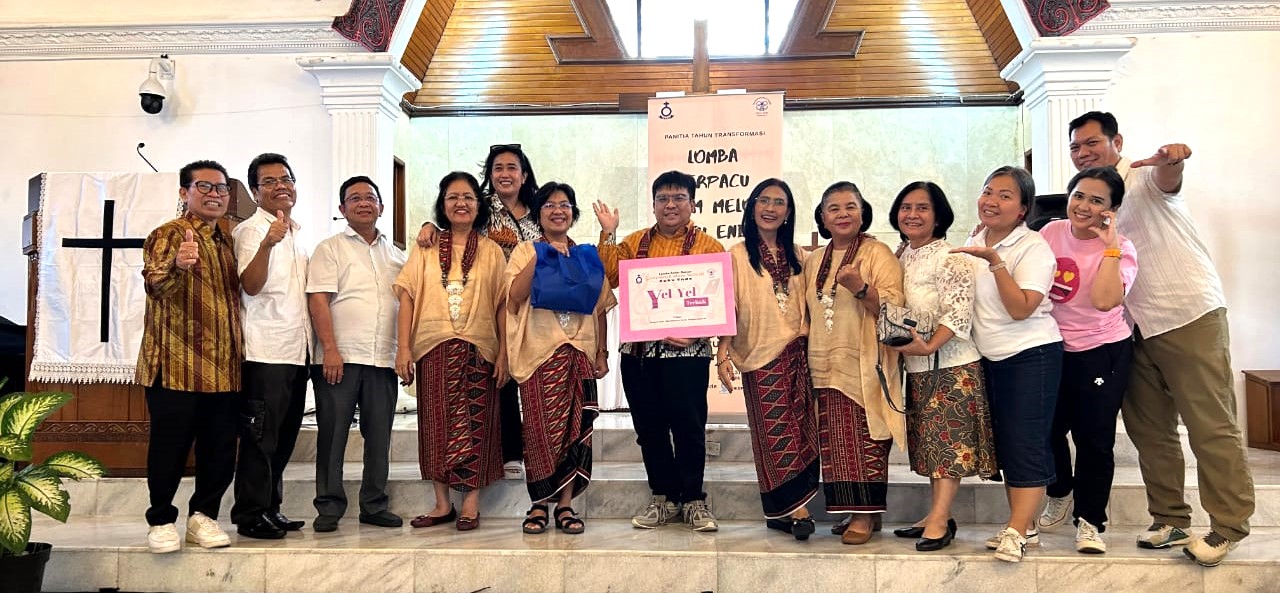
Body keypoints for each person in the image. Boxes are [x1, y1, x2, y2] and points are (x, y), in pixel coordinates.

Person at [1067, 111, 1254, 566]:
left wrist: (1174, 158)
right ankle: (1170, 518)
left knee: (1210, 425)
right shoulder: (1093, 199)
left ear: (1116, 142)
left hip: (1187, 314)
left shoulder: (1142, 178)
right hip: (1132, 329)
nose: (1083, 153)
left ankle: (1229, 525)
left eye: (1091, 143)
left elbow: (1170, 175)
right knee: (1150, 430)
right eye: (1075, 147)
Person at [593, 170, 725, 532]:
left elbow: (721, 301)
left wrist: (699, 332)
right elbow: (607, 276)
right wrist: (608, 232)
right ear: (653, 205)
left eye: (679, 197)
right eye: (663, 198)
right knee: (649, 429)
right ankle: (663, 497)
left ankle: (694, 500)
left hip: (688, 354)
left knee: (689, 428)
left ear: (692, 204)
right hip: (639, 355)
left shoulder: (710, 247)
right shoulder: (634, 242)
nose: (670, 205)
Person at [953, 166, 1063, 563]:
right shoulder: (974, 239)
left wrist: (996, 262)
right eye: (988, 192)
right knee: (1006, 444)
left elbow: (1020, 309)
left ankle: (1016, 530)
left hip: (1030, 354)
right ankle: (1025, 525)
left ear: (1022, 209)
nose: (992, 201)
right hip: (989, 356)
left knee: (1025, 442)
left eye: (1005, 196)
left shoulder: (1033, 247)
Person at [418, 144, 542, 481]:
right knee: (500, 378)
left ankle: (536, 452)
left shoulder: (538, 210)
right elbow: (452, 225)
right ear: (489, 174)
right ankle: (507, 452)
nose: (505, 174)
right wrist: (429, 225)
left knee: (531, 378)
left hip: (532, 305)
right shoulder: (481, 206)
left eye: (512, 167)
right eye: (498, 168)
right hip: (490, 302)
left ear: (524, 175)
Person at [136, 160, 242, 553]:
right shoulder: (169, 233)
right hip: (176, 364)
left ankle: (203, 517)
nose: (215, 194)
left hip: (224, 366)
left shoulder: (225, 240)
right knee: (170, 448)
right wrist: (177, 266)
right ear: (185, 192)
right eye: (205, 187)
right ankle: (161, 520)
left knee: (219, 448)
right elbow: (154, 286)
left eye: (221, 188)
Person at [887, 181, 997, 552]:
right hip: (919, 366)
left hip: (953, 367)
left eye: (922, 208)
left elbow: (959, 311)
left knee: (949, 446)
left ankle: (939, 519)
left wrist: (930, 345)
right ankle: (937, 513)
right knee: (932, 445)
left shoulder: (951, 256)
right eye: (906, 207)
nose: (912, 215)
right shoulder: (903, 254)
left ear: (938, 216)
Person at [395, 171, 507, 532]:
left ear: (479, 205)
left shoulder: (491, 251)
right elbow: (407, 296)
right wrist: (403, 349)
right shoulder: (426, 247)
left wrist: (504, 353)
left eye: (468, 197)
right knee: (436, 426)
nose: (461, 203)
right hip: (433, 347)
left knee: (477, 425)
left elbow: (502, 305)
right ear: (442, 205)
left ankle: (471, 504)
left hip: (479, 348)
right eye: (453, 197)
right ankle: (442, 504)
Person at [1034, 166, 1137, 554]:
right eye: (1079, 196)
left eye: (1097, 201)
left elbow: (1105, 300)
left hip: (1102, 350)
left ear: (1112, 209)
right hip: (1050, 347)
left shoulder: (1123, 248)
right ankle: (1060, 490)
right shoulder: (1049, 233)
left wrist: (1109, 247)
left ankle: (1090, 520)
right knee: (1046, 430)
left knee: (1094, 438)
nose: (1084, 206)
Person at [506, 181, 615, 535]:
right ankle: (539, 504)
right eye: (550, 205)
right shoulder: (525, 251)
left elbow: (600, 307)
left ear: (573, 213)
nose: (558, 210)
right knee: (538, 432)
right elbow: (514, 297)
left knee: (576, 432)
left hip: (579, 354)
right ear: (538, 214)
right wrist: (541, 257)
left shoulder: (585, 255)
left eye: (565, 205)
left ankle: (565, 505)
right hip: (539, 357)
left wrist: (601, 351)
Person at [715, 179, 819, 540]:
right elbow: (728, 306)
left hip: (799, 353)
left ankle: (784, 512)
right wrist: (722, 352)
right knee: (775, 433)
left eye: (779, 202)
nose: (770, 208)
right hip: (760, 355)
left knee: (802, 431)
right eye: (764, 200)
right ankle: (796, 509)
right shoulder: (737, 254)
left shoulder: (800, 256)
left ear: (788, 212)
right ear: (752, 206)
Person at [306, 176, 407, 533]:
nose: (364, 203)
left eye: (370, 198)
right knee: (332, 435)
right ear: (342, 208)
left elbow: (405, 305)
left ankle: (374, 504)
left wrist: (403, 352)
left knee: (379, 436)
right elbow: (319, 299)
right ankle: (329, 506)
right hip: (341, 358)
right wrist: (330, 349)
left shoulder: (396, 255)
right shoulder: (330, 248)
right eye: (355, 199)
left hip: (382, 358)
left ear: (381, 206)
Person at [806, 181, 905, 545]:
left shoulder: (877, 253)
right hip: (823, 364)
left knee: (864, 440)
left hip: (864, 364)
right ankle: (860, 513)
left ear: (863, 213)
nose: (842, 214)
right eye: (833, 208)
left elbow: (895, 310)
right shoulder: (814, 260)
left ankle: (864, 515)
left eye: (850, 206)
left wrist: (861, 288)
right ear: (822, 217)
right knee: (836, 444)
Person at [230, 153, 311, 540]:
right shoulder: (251, 231)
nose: (281, 186)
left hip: (296, 350)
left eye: (286, 179)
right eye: (270, 181)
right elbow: (250, 285)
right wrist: (266, 244)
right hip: (265, 352)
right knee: (260, 437)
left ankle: (270, 507)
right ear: (254, 191)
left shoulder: (296, 232)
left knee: (283, 436)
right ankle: (249, 514)